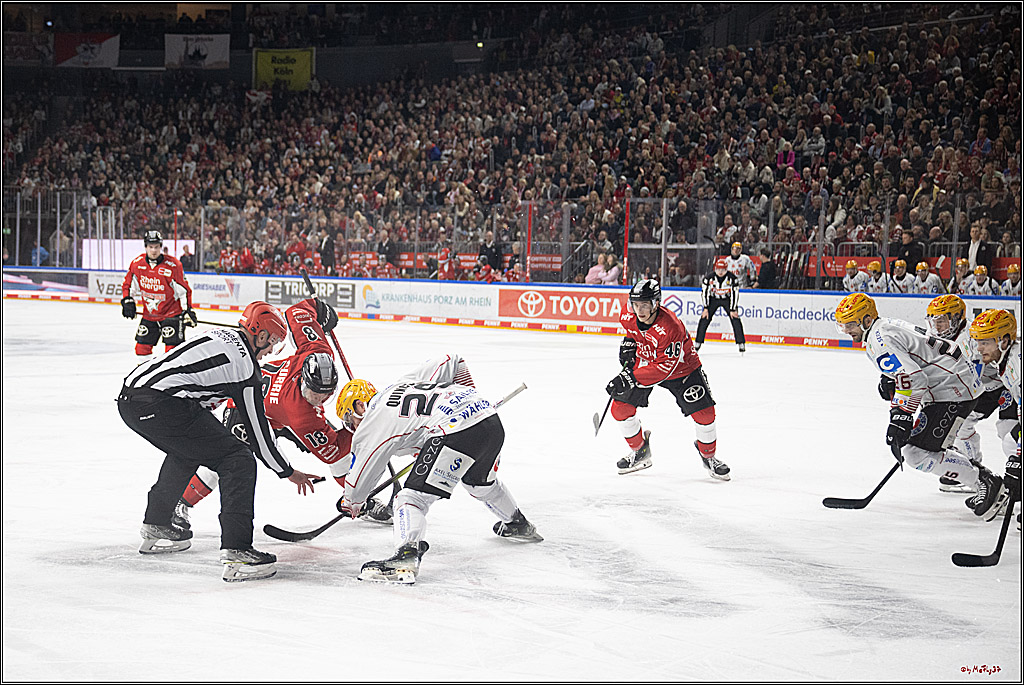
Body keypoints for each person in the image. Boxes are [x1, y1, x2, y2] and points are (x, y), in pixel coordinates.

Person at [118, 301, 321, 582]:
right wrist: (287, 471)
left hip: (132, 396)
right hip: (160, 403)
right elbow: (258, 432)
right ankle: (238, 549)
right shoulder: (245, 367)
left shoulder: (220, 335)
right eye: (272, 342)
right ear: (260, 335)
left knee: (188, 450)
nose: (270, 351)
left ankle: (158, 522)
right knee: (238, 459)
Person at [171, 297, 393, 528]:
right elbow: (332, 450)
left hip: (279, 411)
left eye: (323, 395)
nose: (317, 399)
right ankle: (180, 503)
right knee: (220, 461)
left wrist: (318, 308)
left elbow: (297, 311)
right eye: (313, 393)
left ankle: (358, 500)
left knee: (341, 461)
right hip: (246, 408)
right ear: (304, 379)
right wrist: (360, 427)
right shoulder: (302, 415)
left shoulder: (316, 349)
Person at [335, 353, 542, 584]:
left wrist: (351, 501)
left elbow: (363, 471)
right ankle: (517, 523)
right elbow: (452, 361)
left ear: (359, 406)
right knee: (478, 483)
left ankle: (406, 558)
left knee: (410, 498)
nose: (352, 427)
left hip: (455, 432)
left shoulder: (373, 419)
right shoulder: (404, 384)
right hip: (489, 421)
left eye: (348, 420)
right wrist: (467, 406)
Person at [833, 293, 1004, 520]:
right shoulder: (885, 326)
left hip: (952, 390)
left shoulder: (878, 340)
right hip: (950, 384)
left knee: (915, 454)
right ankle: (983, 478)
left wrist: (901, 416)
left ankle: (986, 482)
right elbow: (913, 363)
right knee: (922, 448)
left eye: (851, 325)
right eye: (842, 326)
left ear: (865, 320)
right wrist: (891, 379)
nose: (846, 331)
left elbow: (914, 378)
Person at [606, 279, 730, 480]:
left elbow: (664, 368)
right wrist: (629, 343)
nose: (640, 310)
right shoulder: (627, 314)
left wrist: (629, 378)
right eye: (636, 304)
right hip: (646, 361)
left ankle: (709, 456)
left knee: (705, 414)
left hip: (682, 369)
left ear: (656, 303)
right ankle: (640, 452)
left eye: (645, 305)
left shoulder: (670, 327)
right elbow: (632, 331)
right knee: (620, 408)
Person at [925, 295, 1017, 494]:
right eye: (933, 320)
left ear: (957, 318)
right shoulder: (944, 338)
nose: (936, 326)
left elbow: (969, 382)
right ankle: (972, 470)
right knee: (961, 425)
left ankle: (1011, 476)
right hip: (988, 384)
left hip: (997, 386)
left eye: (941, 320)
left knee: (1009, 433)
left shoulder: (970, 342)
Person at [968, 310, 1020, 524]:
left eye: (986, 342)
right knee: (1010, 437)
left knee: (1012, 443)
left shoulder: (1017, 363)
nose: (980, 348)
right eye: (978, 341)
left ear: (1005, 340)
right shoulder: (1007, 360)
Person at [121, 230, 197, 357]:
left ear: (161, 247)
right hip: (149, 315)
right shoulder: (137, 264)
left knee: (172, 352)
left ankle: (171, 376)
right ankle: (146, 375)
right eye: (150, 247)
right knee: (141, 348)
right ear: (145, 247)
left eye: (156, 247)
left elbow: (184, 291)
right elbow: (128, 286)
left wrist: (187, 310)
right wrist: (128, 300)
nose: (154, 250)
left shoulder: (173, 265)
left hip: (171, 315)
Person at [695, 257, 746, 353]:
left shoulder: (732, 279)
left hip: (727, 299)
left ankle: (741, 343)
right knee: (704, 319)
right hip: (713, 299)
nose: (720, 272)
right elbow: (704, 293)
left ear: (726, 269)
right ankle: (698, 343)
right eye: (718, 269)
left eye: (723, 270)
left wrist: (733, 308)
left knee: (735, 318)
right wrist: (705, 307)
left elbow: (735, 294)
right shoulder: (708, 278)